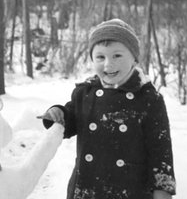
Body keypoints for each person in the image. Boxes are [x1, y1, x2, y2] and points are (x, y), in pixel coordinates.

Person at [40, 18, 176, 199]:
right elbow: (71, 119)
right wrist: (59, 114)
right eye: (100, 57)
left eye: (117, 56)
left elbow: (160, 149)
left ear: (134, 58)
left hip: (130, 190)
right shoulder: (84, 93)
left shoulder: (149, 99)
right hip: (87, 188)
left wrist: (162, 189)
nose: (108, 64)